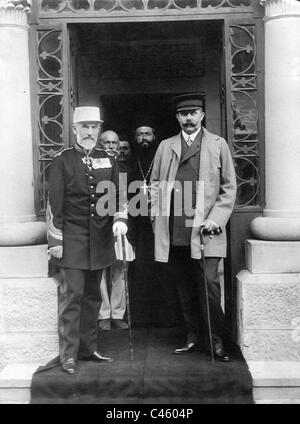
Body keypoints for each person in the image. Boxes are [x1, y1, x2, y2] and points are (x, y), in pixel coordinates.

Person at [150, 93, 237, 361]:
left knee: (209, 285)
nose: (188, 118)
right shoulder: (166, 146)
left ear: (202, 115)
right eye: (183, 113)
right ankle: (193, 336)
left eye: (193, 112)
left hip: (206, 229)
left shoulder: (217, 144)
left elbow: (229, 187)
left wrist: (217, 218)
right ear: (177, 117)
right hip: (176, 225)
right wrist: (156, 217)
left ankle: (216, 340)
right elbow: (154, 184)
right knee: (184, 286)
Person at [47, 107, 127, 374]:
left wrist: (119, 220)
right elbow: (54, 204)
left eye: (94, 127)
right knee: (73, 297)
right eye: (85, 127)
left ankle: (88, 348)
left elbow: (119, 197)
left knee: (93, 298)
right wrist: (55, 240)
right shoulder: (62, 160)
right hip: (71, 241)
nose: (90, 132)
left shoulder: (109, 159)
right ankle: (68, 355)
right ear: (74, 130)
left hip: (101, 240)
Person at [129, 123, 179, 326]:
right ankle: (141, 318)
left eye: (148, 134)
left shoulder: (163, 159)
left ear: (155, 136)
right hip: (137, 224)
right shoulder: (130, 163)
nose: (144, 138)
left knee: (164, 269)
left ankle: (167, 317)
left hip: (160, 221)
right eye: (139, 134)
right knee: (140, 269)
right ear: (134, 138)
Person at [98, 131, 135, 331]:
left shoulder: (125, 168)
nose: (111, 146)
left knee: (119, 269)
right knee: (100, 271)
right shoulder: (94, 163)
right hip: (98, 224)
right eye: (107, 143)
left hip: (121, 222)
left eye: (115, 143)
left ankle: (117, 314)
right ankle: (103, 314)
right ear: (100, 144)